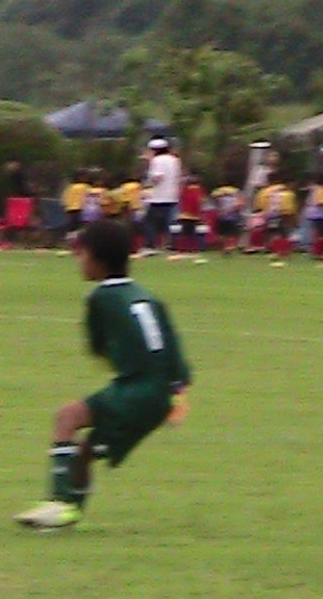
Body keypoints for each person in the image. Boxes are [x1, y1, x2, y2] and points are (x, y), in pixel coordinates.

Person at [14, 219, 193, 530]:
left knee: (71, 426)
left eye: (82, 253)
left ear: (98, 259)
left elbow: (97, 347)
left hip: (139, 391)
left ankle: (61, 505)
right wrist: (177, 395)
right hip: (156, 389)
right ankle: (66, 508)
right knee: (75, 431)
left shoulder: (100, 298)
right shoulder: (146, 296)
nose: (78, 260)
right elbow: (173, 349)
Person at [143, 139, 181, 252]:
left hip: (158, 198)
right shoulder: (174, 160)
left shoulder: (157, 160)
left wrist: (149, 183)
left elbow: (158, 177)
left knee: (149, 222)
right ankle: (171, 245)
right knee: (170, 224)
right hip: (173, 196)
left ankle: (150, 245)